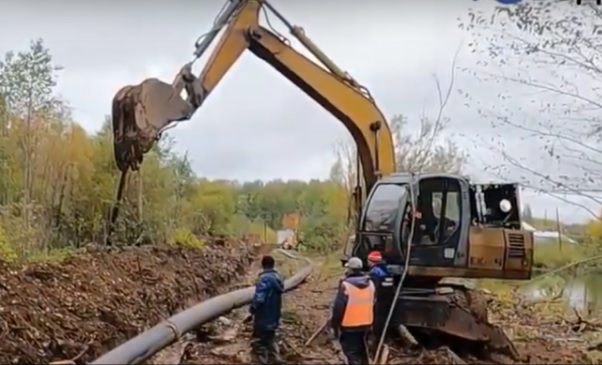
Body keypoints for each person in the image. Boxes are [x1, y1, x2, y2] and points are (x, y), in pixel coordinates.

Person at [331, 256, 376, 365]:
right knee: (362, 351)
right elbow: (374, 304)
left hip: (349, 326)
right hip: (366, 324)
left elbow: (338, 308)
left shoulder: (346, 285)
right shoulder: (371, 284)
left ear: (350, 269)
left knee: (351, 353)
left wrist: (334, 325)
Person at [249, 255, 285, 364]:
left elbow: (260, 297)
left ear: (263, 265)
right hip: (274, 315)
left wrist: (252, 309)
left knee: (260, 342)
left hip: (263, 316)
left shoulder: (264, 279)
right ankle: (276, 359)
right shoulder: (278, 278)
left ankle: (262, 362)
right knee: (271, 338)